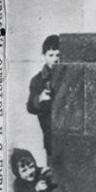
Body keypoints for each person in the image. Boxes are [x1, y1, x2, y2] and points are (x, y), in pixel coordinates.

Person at [27, 34, 60, 164]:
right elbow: (30, 107)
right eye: (51, 55)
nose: (55, 59)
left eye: (58, 55)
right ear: (43, 56)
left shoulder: (68, 75)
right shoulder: (37, 80)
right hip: (50, 138)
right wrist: (39, 99)